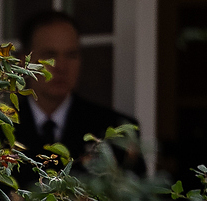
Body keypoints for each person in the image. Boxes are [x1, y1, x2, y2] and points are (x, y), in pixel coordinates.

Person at [12, 10, 143, 188]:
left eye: (71, 55)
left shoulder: (115, 130)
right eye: (50, 55)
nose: (61, 67)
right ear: (24, 62)